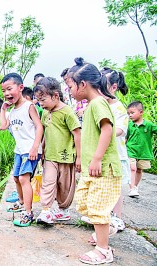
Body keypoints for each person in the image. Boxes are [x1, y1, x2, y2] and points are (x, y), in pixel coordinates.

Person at [67, 57, 122, 265]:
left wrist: (97, 158)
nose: (70, 91)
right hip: (93, 167)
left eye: (70, 86)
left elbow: (107, 129)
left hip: (104, 167)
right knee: (84, 202)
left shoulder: (99, 103)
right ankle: (107, 228)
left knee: (98, 208)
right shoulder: (91, 104)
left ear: (82, 84)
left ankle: (103, 250)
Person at [33, 77, 81, 224]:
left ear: (55, 96)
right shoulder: (45, 113)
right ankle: (46, 210)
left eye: (43, 100)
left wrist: (79, 157)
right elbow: (45, 133)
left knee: (65, 186)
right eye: (38, 101)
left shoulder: (67, 112)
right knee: (48, 182)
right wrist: (41, 149)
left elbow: (77, 134)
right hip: (50, 156)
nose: (41, 104)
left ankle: (63, 209)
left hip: (66, 156)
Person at [0, 73, 43, 227]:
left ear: (21, 87)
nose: (6, 94)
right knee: (17, 178)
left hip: (30, 150)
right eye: (4, 91)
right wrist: (3, 110)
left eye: (9, 89)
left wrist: (35, 147)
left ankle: (28, 212)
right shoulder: (13, 111)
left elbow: (39, 126)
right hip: (19, 150)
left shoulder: (29, 106)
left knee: (24, 179)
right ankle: (22, 201)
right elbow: (4, 126)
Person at [98, 67, 130, 231]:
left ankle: (117, 218)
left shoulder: (118, 108)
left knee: (116, 189)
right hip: (103, 155)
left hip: (116, 155)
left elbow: (121, 130)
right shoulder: (100, 105)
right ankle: (104, 216)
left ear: (113, 87)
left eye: (102, 88)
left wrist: (104, 132)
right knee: (104, 186)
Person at [126, 101, 157, 197]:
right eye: (128, 113)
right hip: (130, 150)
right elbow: (125, 137)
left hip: (143, 152)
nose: (130, 115)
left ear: (141, 112)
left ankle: (134, 186)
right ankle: (131, 188)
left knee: (139, 170)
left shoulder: (149, 125)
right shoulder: (129, 125)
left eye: (132, 113)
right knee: (132, 168)